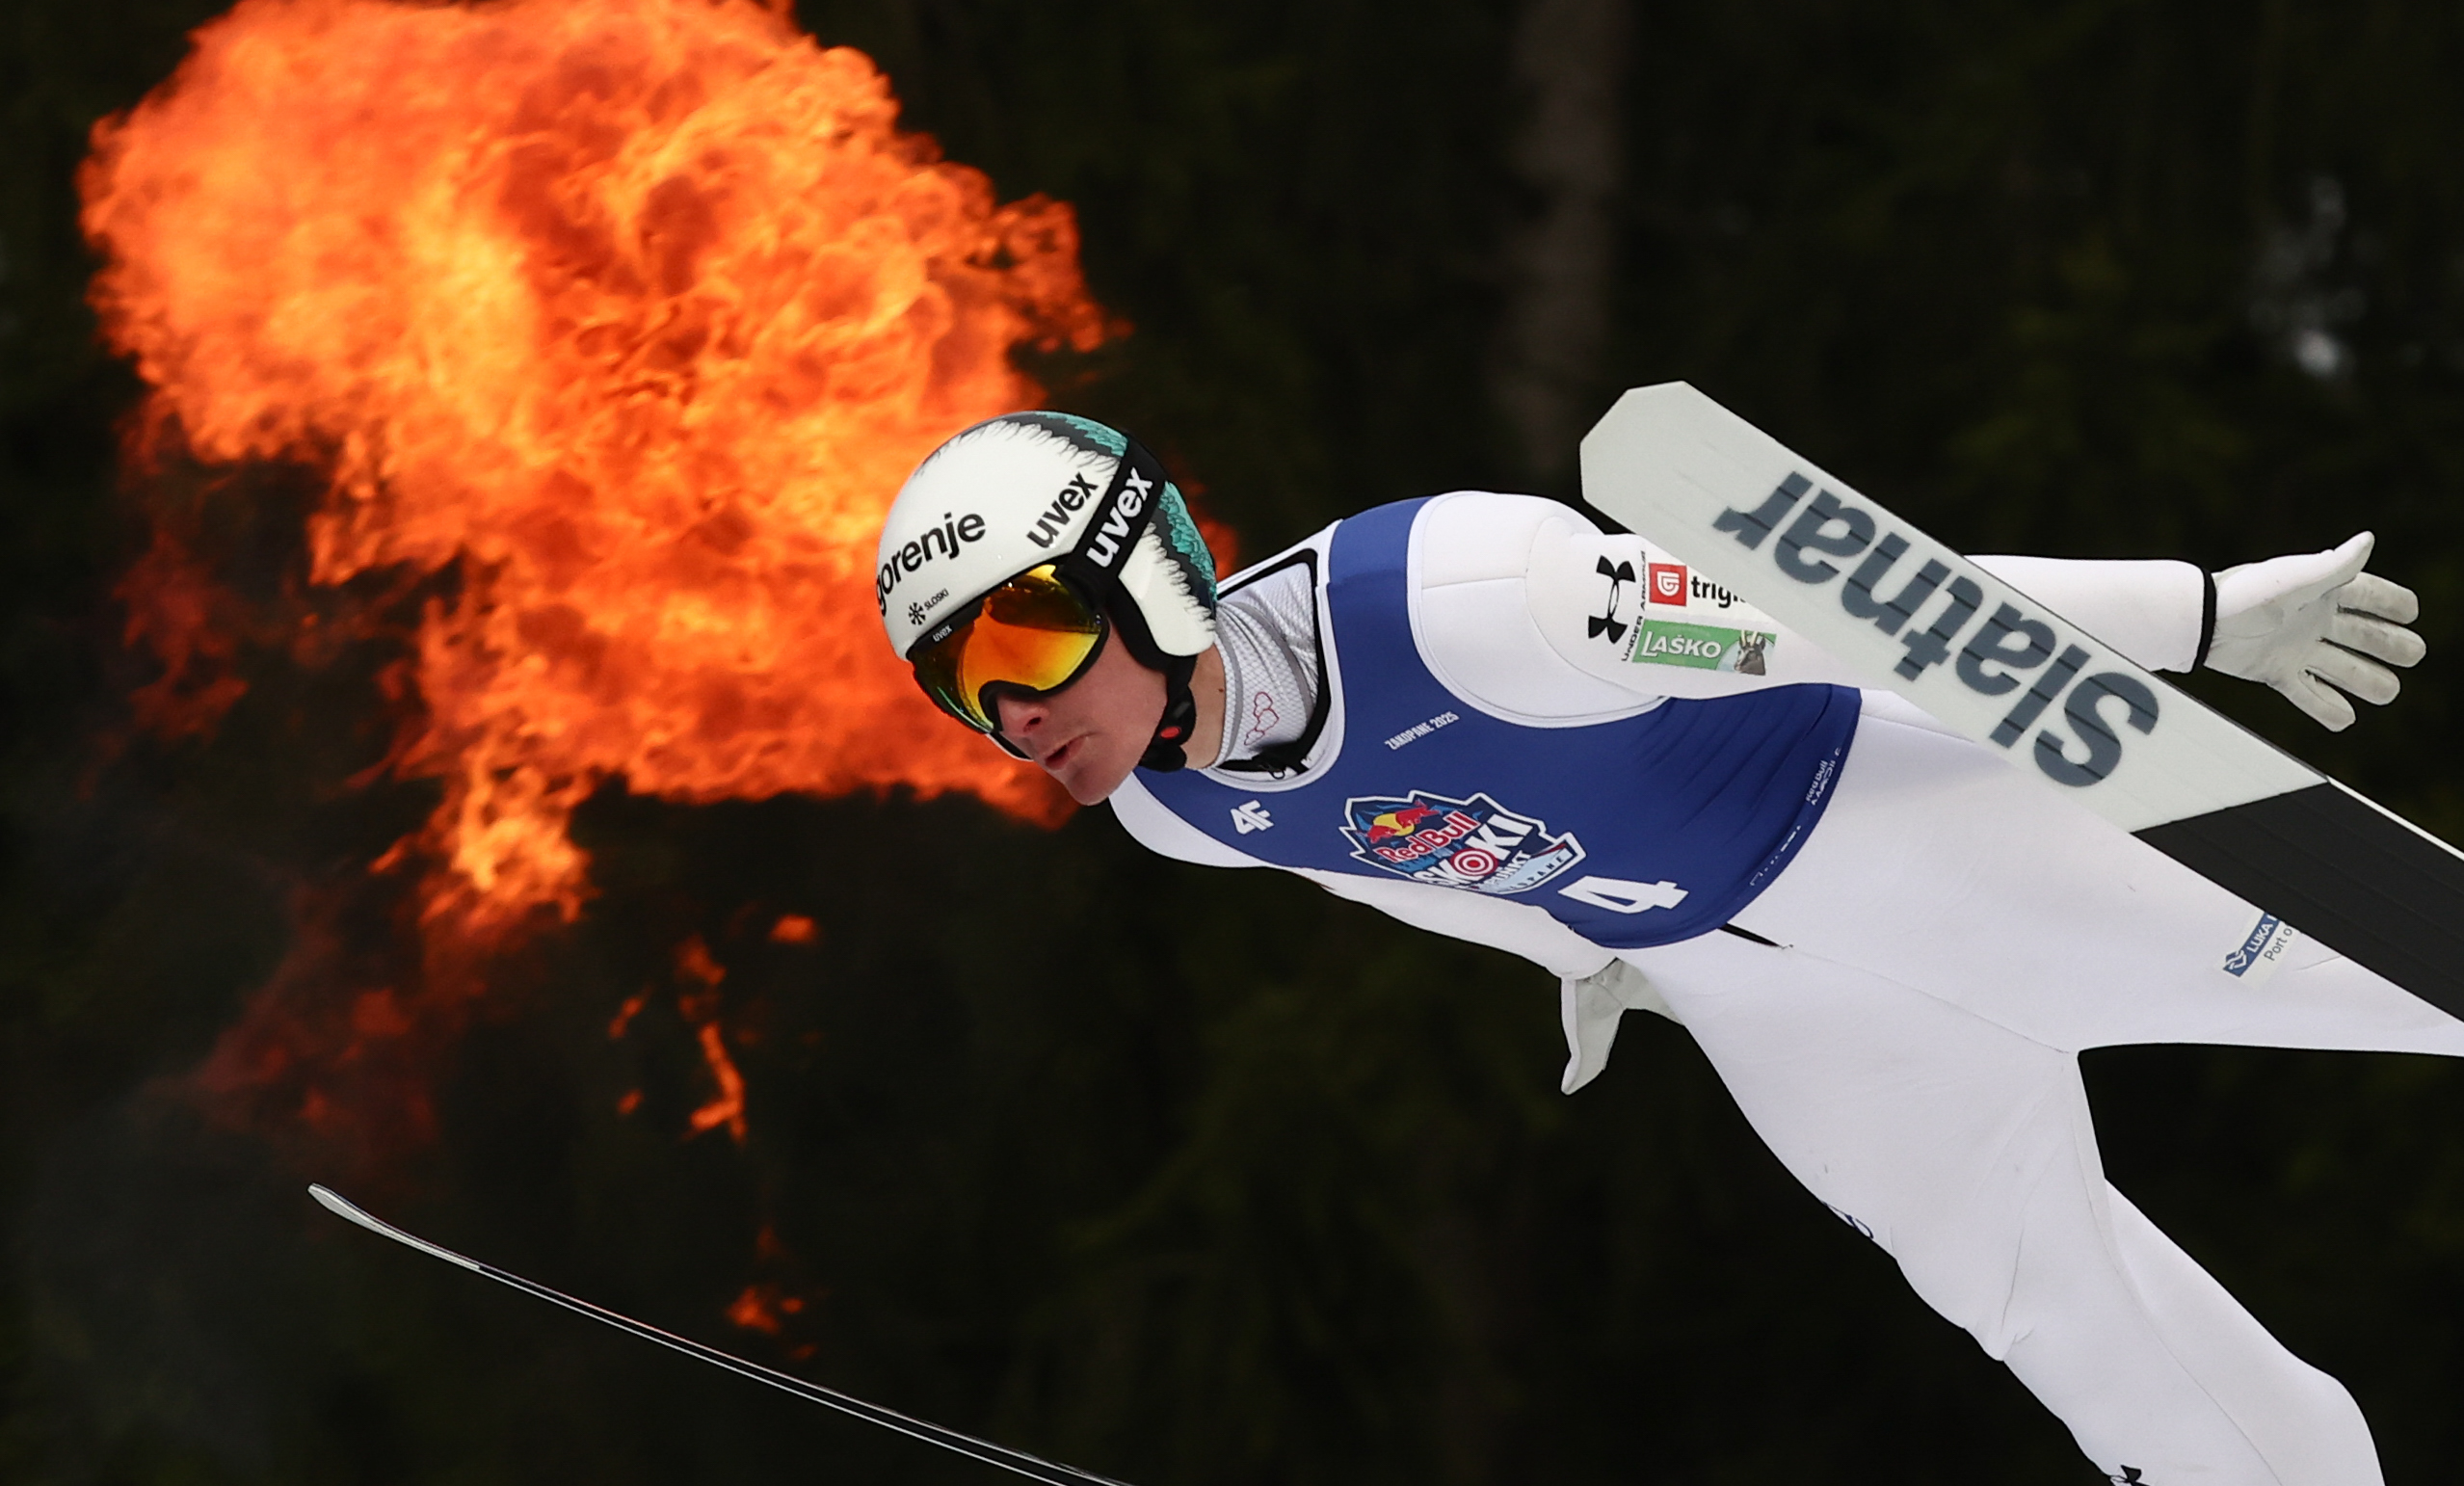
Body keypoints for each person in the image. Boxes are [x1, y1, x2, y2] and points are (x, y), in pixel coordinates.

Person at [874, 409, 2446, 1486]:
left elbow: (1849, 615)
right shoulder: (1178, 813)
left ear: (1146, 570)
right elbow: (1400, 870)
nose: (1013, 715)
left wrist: (2200, 617)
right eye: (963, 685)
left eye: (1027, 638)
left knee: (2421, 973)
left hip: (1934, 834)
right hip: (1772, 1006)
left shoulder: (1475, 594)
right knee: (2063, 1321)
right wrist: (1580, 952)